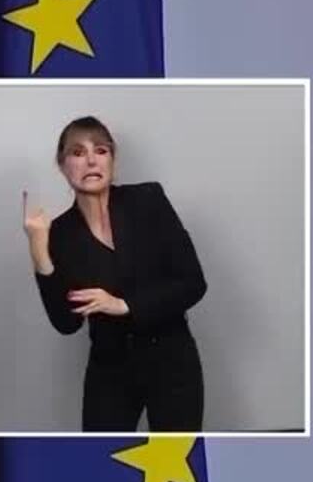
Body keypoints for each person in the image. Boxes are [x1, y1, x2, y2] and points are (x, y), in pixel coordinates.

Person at [24, 116, 209, 431]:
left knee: (176, 454)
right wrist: (38, 249)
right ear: (62, 165)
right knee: (99, 455)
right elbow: (67, 323)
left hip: (171, 360)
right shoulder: (61, 233)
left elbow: (193, 283)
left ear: (113, 159)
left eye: (101, 150)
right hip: (110, 368)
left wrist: (123, 305)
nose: (91, 160)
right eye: (78, 152)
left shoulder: (148, 200)